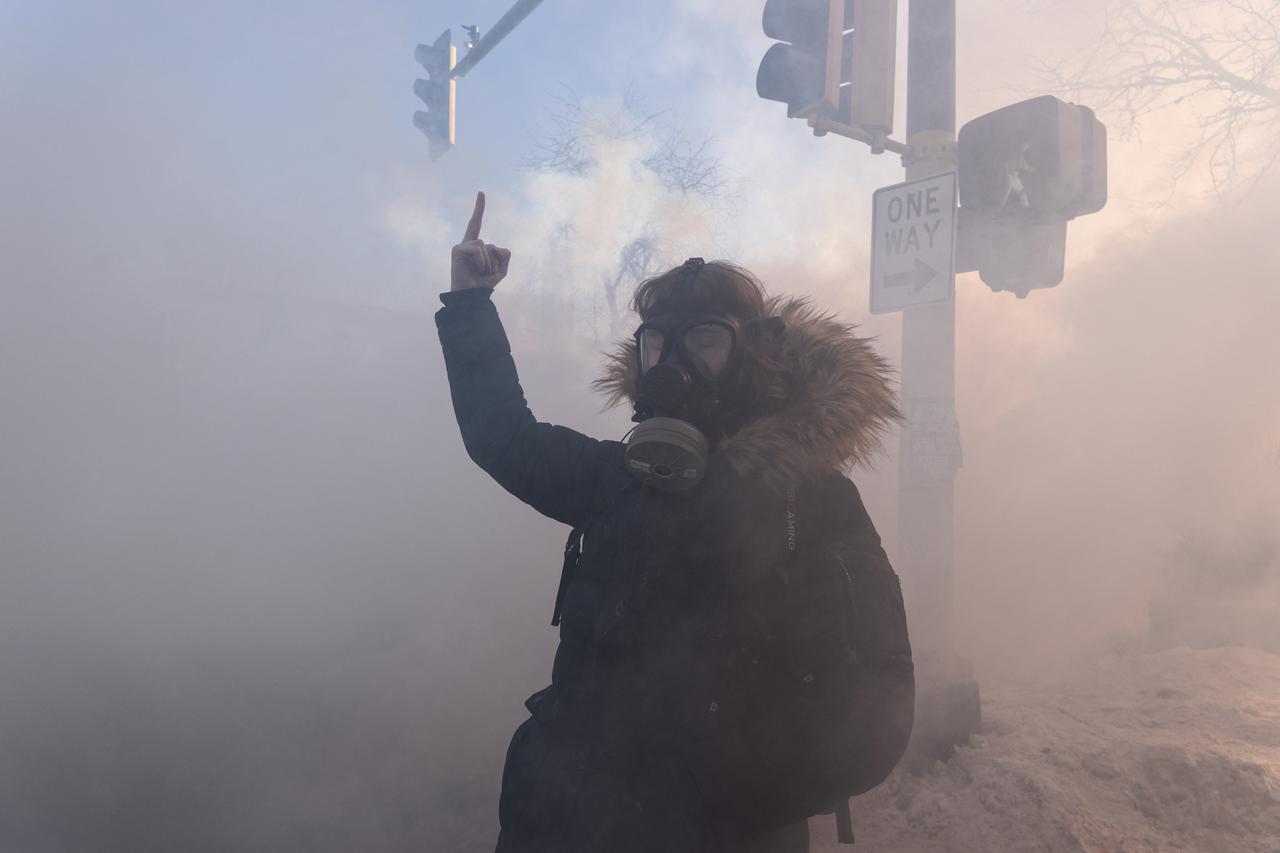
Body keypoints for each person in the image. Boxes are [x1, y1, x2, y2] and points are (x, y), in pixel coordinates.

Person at [437, 192, 914, 853]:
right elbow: (503, 436)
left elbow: (880, 703)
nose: (672, 367)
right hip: (562, 823)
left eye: (705, 342)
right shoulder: (616, 480)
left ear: (755, 356)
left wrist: (728, 807)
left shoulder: (811, 502)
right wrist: (470, 304)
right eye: (656, 344)